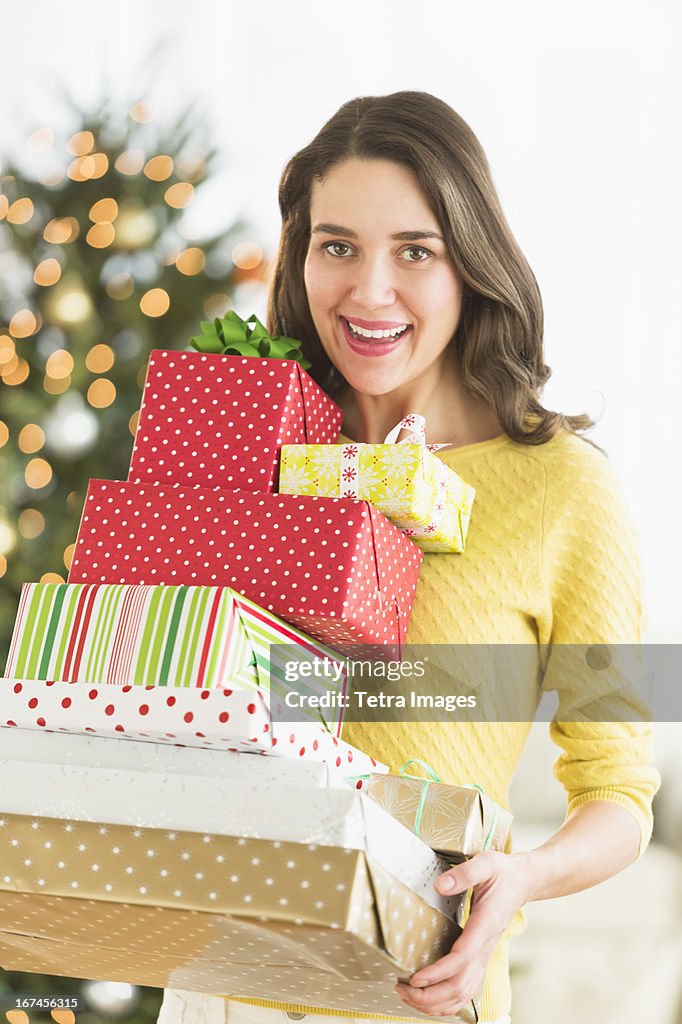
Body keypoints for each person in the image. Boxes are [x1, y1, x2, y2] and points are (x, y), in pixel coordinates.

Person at [158, 91, 659, 1024]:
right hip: (222, 983)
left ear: (471, 262)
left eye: (415, 251)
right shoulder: (253, 446)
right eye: (337, 245)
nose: (369, 291)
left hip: (413, 994)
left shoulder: (563, 492)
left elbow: (621, 797)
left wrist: (523, 875)